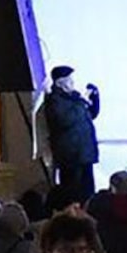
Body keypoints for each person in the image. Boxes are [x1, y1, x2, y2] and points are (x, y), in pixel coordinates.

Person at [38, 68, 103, 210]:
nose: (73, 83)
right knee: (72, 192)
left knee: (87, 191)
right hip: (71, 156)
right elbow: (64, 120)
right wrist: (81, 102)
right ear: (60, 83)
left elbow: (90, 114)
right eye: (69, 80)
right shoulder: (54, 100)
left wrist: (94, 98)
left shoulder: (74, 97)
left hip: (84, 154)